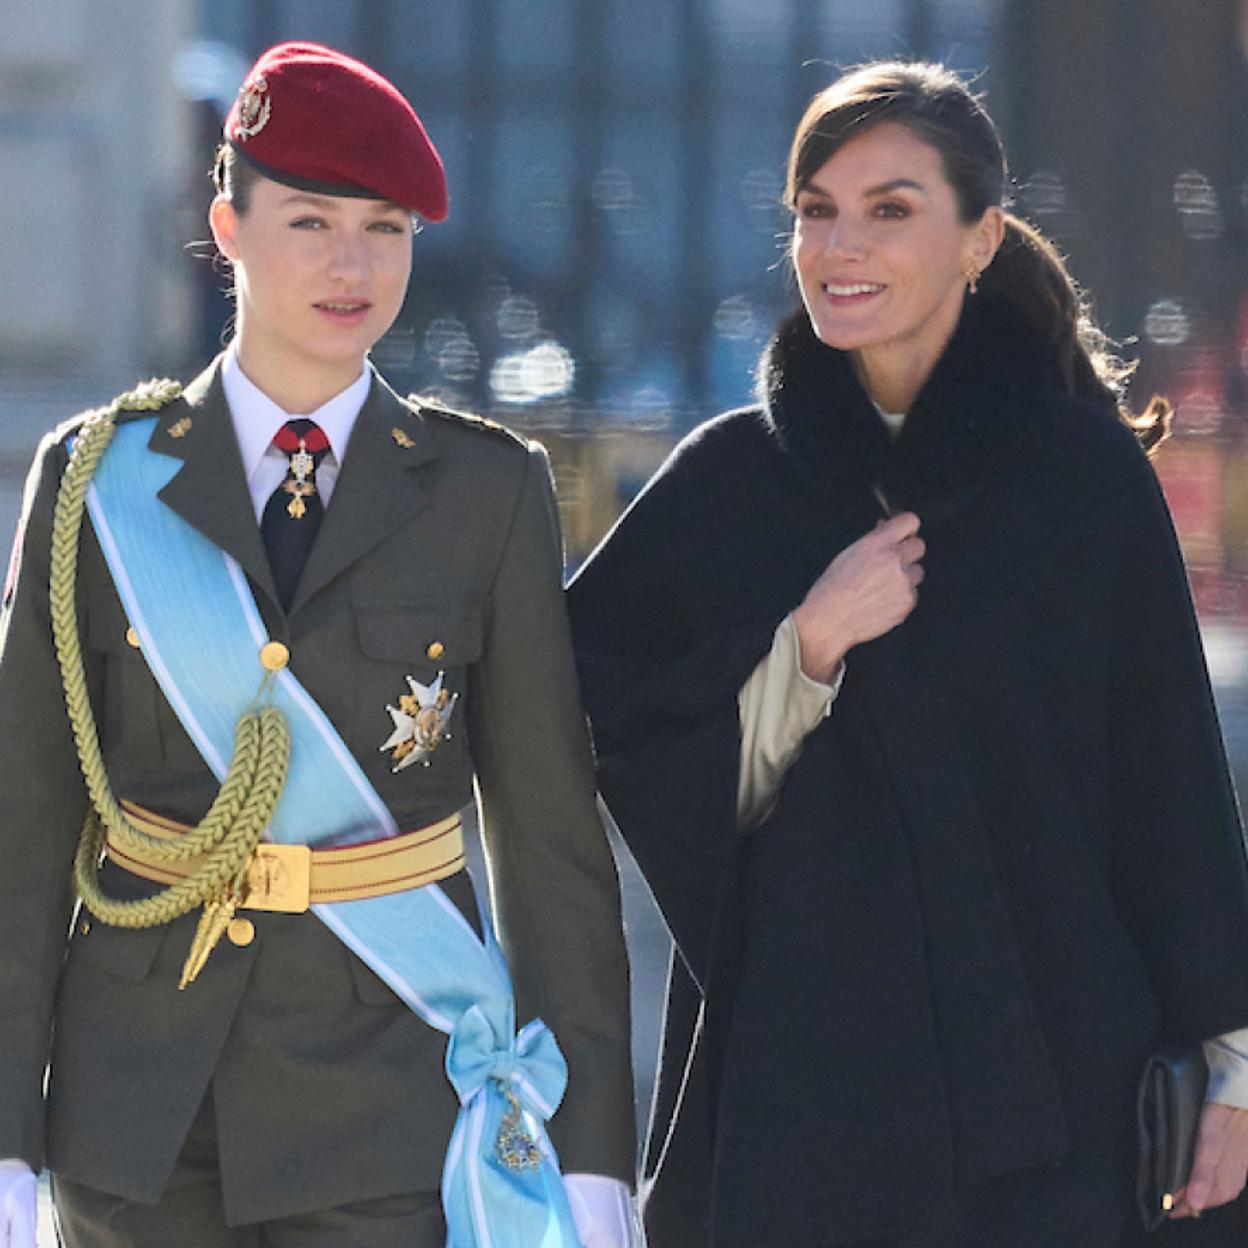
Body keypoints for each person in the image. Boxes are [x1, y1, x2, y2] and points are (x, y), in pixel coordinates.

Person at [567, 60, 1248, 1247]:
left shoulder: (1086, 487)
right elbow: (596, 735)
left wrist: (1233, 1066)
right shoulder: (727, 487)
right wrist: (806, 645)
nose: (842, 244)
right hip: (797, 1105)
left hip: (1056, 1104)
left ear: (981, 238)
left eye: (890, 208)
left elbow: (1172, 788)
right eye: (816, 209)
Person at [0, 42, 639, 1248]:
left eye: (386, 227)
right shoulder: (98, 482)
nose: (354, 265)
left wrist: (594, 1157)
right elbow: (23, 831)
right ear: (227, 226)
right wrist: (3, 1140)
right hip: (135, 1116)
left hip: (387, 1104)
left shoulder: (483, 491)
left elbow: (551, 843)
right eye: (311, 221)